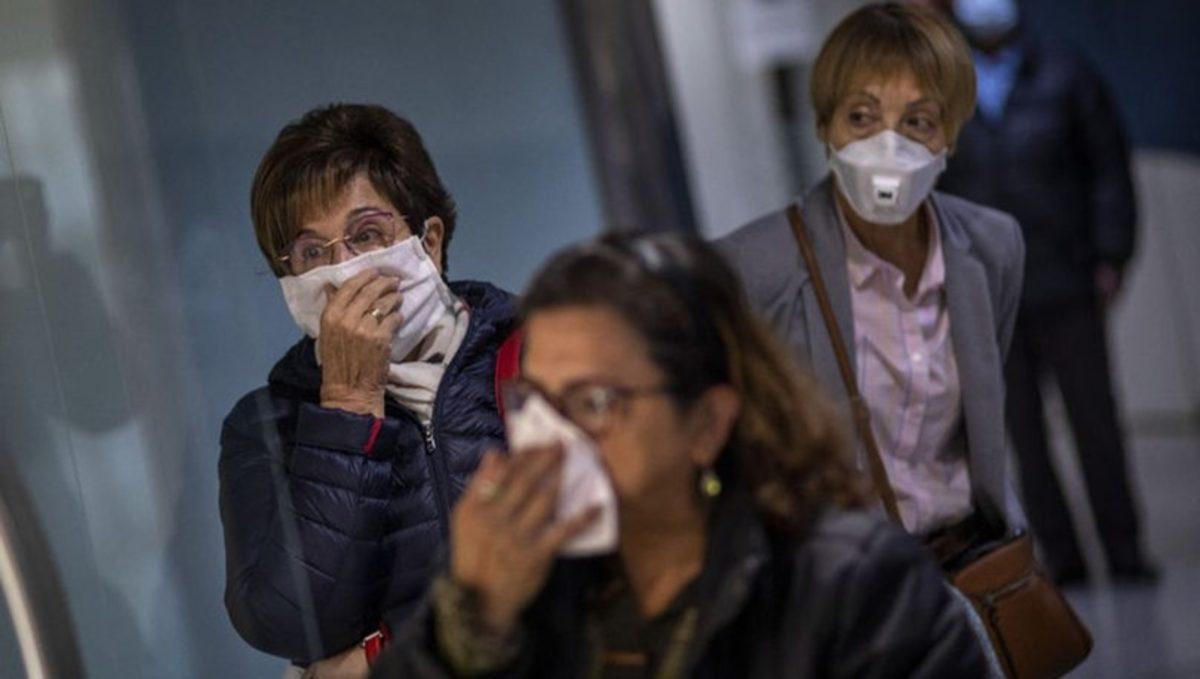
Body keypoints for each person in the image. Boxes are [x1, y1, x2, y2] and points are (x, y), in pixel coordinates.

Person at [370, 232, 987, 678]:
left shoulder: (850, 584)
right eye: (534, 400)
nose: (550, 438)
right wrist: (468, 623)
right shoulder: (535, 589)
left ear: (706, 424)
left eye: (592, 401)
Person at [718, 2, 1026, 565]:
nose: (889, 148)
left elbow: (982, 406)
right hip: (842, 583)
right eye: (861, 117)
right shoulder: (752, 268)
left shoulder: (992, 246)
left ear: (949, 138)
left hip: (969, 559)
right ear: (824, 128)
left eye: (917, 122)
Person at [219, 103, 519, 674]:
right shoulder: (265, 426)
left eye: (367, 235)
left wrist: (373, 658)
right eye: (312, 253)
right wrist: (350, 405)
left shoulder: (537, 352)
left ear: (429, 242)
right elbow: (285, 622)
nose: (345, 270)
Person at [940, 0, 1155, 585]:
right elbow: (929, 197)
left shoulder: (1065, 73)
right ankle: (1063, 559)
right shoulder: (940, 91)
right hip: (991, 295)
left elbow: (1108, 168)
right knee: (1024, 436)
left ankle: (1125, 549)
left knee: (1096, 424)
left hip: (1068, 278)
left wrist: (1111, 253)